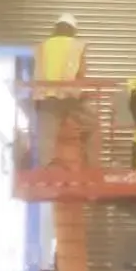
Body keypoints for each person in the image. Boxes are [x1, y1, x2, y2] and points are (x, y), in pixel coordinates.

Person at [36, 12, 87, 169]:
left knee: (46, 136)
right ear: (73, 30)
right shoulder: (77, 46)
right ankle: (92, 165)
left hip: (45, 97)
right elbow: (81, 73)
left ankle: (46, 169)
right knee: (92, 127)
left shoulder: (42, 46)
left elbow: (37, 71)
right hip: (69, 97)